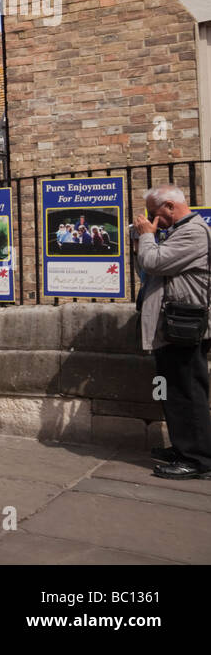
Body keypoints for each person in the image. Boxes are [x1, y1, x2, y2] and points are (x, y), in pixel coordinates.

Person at [136, 184, 211, 480]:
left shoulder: (193, 233)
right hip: (172, 326)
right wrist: (144, 236)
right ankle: (184, 448)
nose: (154, 220)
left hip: (184, 326)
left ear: (169, 206)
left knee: (188, 392)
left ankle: (198, 459)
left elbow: (153, 261)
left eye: (156, 213)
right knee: (174, 391)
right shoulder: (180, 230)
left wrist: (146, 237)